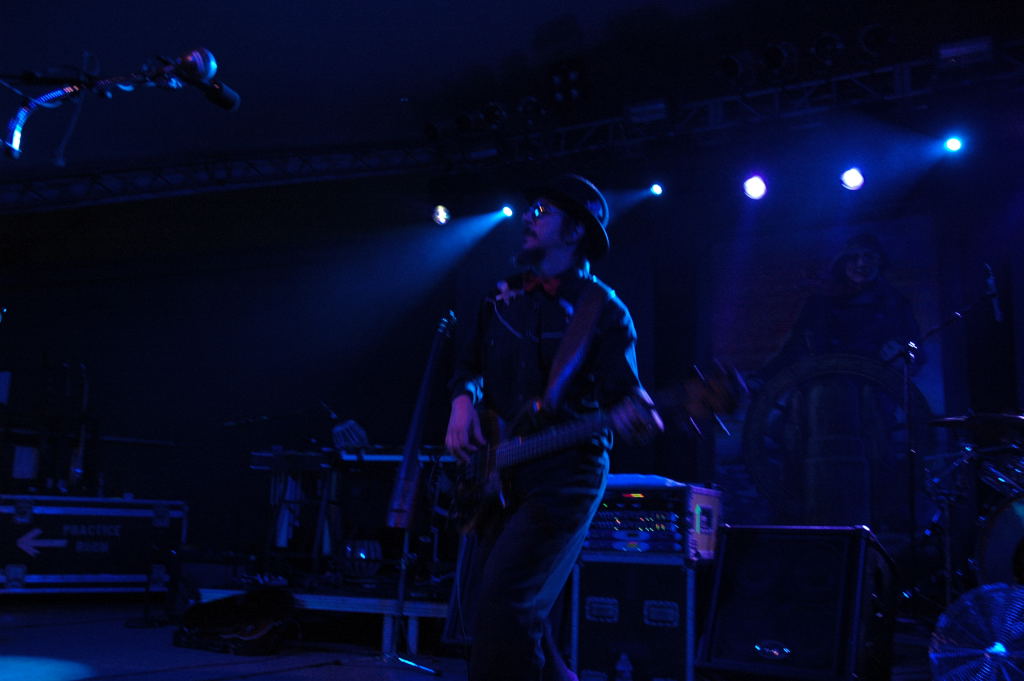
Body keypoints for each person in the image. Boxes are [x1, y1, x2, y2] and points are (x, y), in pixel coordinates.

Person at [445, 174, 662, 681]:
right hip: (503, 474)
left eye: (541, 211)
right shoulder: (499, 298)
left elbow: (625, 397)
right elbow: (468, 365)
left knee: (507, 601)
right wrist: (462, 402)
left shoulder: (603, 309)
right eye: (530, 209)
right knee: (511, 613)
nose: (527, 217)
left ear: (575, 231)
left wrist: (639, 415)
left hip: (567, 474)